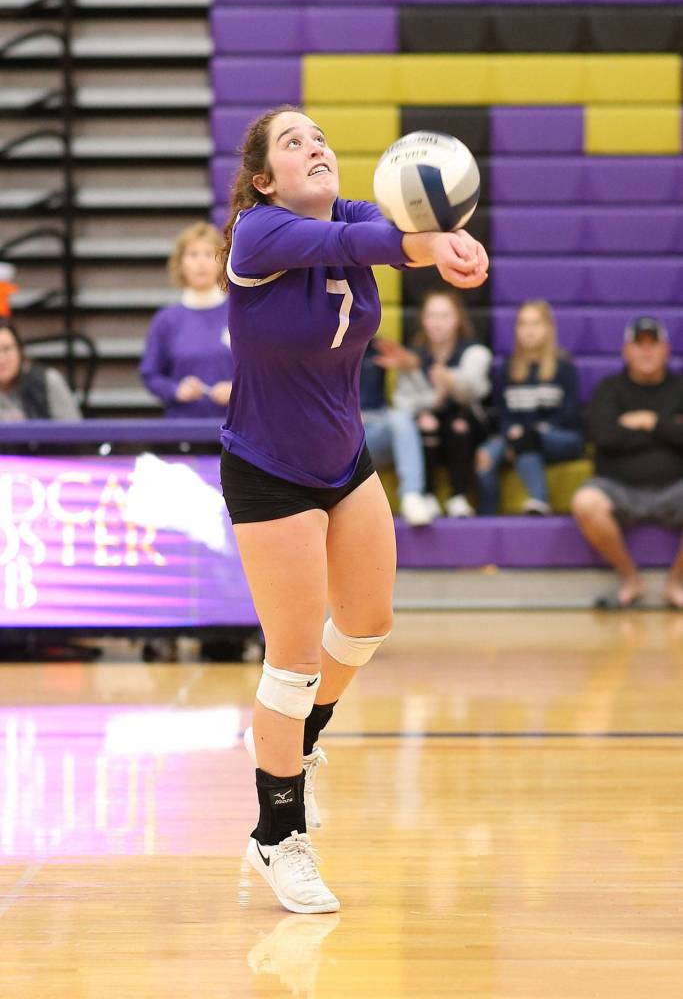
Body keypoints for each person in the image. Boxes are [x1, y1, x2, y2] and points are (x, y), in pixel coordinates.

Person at [217, 105, 488, 914]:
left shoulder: (360, 213)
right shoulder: (256, 235)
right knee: (292, 661)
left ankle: (291, 744)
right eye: (293, 143)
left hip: (343, 459)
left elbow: (381, 237)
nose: (316, 147)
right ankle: (277, 836)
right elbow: (347, 248)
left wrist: (444, 245)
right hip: (268, 469)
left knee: (367, 623)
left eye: (320, 137)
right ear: (264, 177)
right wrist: (424, 245)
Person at [572, 317, 683, 609]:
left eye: (653, 344)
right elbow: (604, 437)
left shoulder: (680, 387)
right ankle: (631, 579)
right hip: (616, 486)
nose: (646, 351)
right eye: (639, 344)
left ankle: (676, 583)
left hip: (674, 487)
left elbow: (617, 435)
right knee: (586, 501)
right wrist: (669, 429)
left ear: (666, 350)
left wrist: (648, 421)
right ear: (626, 351)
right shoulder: (608, 389)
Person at [387, 288, 491, 517]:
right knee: (426, 422)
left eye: (444, 316)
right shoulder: (412, 358)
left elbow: (476, 391)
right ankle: (428, 494)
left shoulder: (474, 351)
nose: (437, 323)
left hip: (466, 424)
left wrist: (451, 380)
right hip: (430, 425)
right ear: (423, 320)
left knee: (458, 424)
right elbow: (403, 402)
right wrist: (432, 398)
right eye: (432, 316)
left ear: (457, 320)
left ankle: (459, 496)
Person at [476, 299, 584, 515]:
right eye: (523, 324)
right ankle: (487, 514)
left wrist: (534, 431)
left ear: (548, 328)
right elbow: (502, 415)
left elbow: (570, 416)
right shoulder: (507, 369)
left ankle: (539, 499)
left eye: (535, 324)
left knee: (527, 440)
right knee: (486, 456)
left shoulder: (564, 367)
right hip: (517, 438)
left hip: (558, 438)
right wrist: (512, 434)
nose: (528, 330)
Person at [140, 222, 233, 418]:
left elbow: (264, 371)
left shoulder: (239, 314)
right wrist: (175, 390)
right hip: (183, 431)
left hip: (237, 429)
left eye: (209, 254)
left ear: (222, 261)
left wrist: (238, 390)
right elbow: (150, 374)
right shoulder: (166, 320)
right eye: (193, 255)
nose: (201, 262)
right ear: (180, 263)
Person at [360, 339, 439, 526]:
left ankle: (411, 494)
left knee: (401, 418)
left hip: (377, 426)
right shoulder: (321, 345)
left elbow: (428, 395)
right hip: (341, 431)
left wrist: (409, 366)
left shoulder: (377, 346)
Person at [0, 319, 81, 421]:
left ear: (20, 350)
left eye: (7, 349)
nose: (1, 358)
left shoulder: (47, 381)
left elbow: (74, 431)